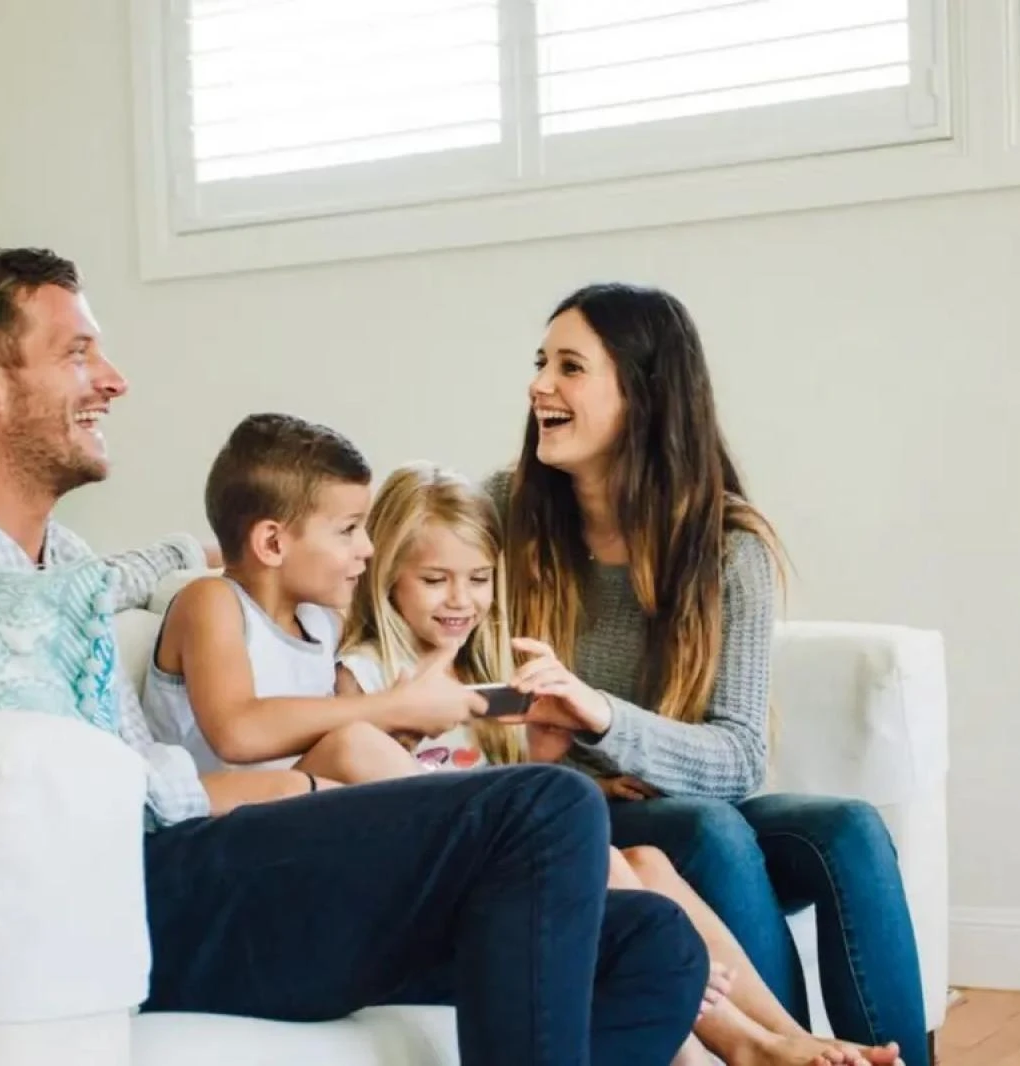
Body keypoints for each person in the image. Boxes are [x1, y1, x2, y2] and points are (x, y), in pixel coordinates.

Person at [0, 246, 710, 1066]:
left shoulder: (63, 564)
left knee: (653, 947)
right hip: (113, 886)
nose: (112, 380)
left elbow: (121, 614)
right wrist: (285, 785)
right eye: (77, 353)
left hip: (184, 851)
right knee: (545, 807)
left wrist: (201, 570)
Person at [323, 459, 900, 1066]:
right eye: (435, 580)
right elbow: (370, 802)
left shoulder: (483, 672)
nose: (460, 600)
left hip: (495, 861)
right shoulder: (368, 677)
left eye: (479, 579)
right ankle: (742, 1042)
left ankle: (792, 1036)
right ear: (388, 577)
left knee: (648, 862)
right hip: (444, 878)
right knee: (610, 866)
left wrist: (569, 770)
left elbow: (496, 786)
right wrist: (405, 728)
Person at [487, 282, 929, 1065]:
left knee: (850, 829)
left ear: (643, 394)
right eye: (540, 362)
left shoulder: (727, 547)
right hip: (580, 811)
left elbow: (739, 759)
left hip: (683, 802)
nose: (540, 385)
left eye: (570, 367)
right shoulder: (501, 517)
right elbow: (434, 647)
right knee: (709, 828)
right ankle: (799, 1056)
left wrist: (603, 718)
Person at [140, 413, 495, 787]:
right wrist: (395, 707)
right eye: (348, 530)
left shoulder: (324, 624)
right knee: (353, 746)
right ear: (273, 543)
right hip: (215, 815)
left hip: (307, 805)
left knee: (363, 745)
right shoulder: (212, 602)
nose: (367, 548)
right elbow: (237, 732)